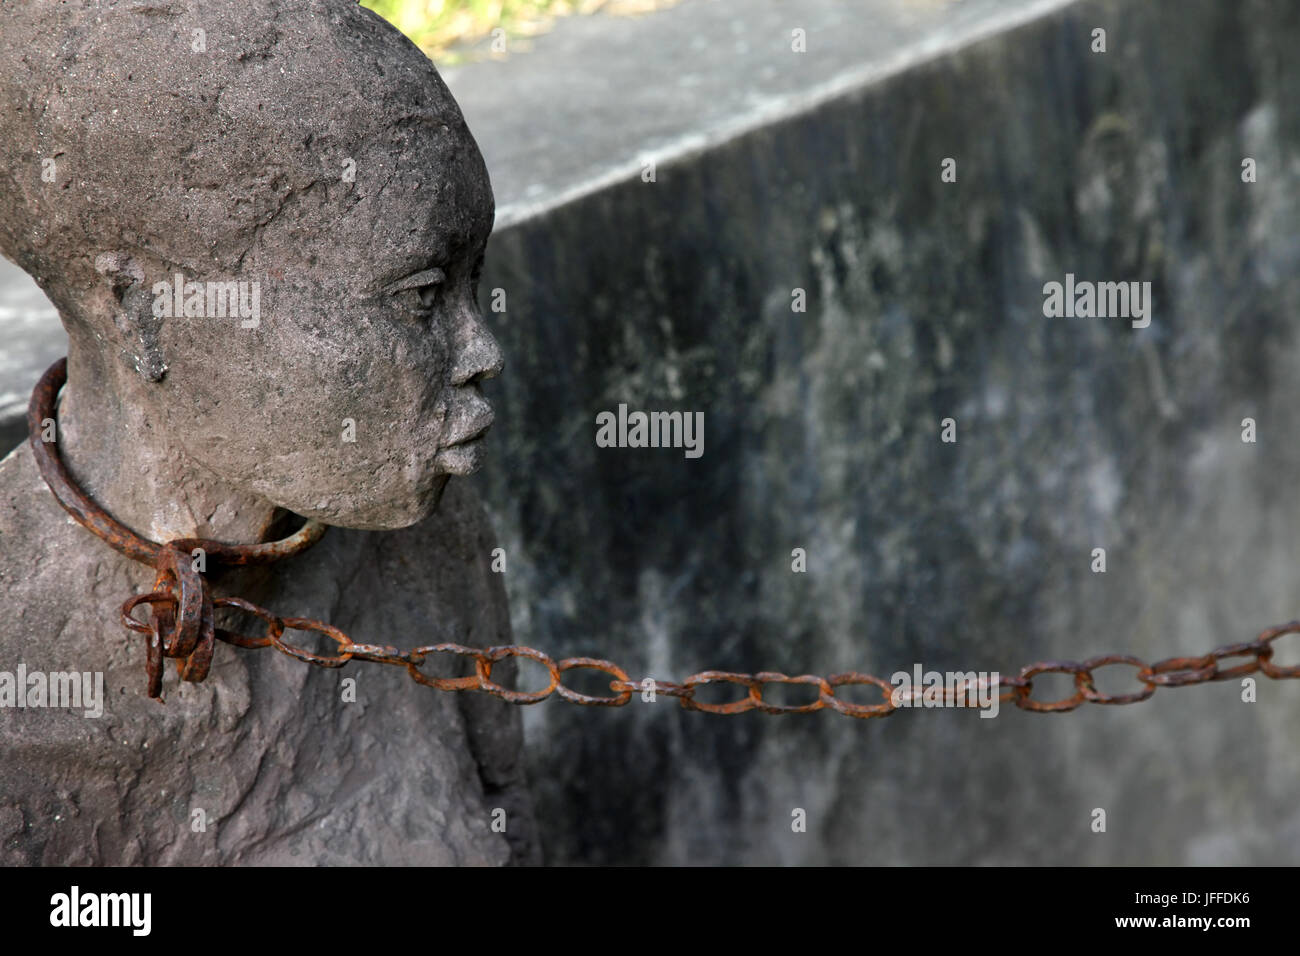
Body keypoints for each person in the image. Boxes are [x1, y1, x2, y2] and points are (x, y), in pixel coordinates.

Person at [0, 0, 535, 864]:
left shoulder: (431, 543)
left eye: (475, 282)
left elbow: (509, 812)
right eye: (420, 295)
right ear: (146, 316)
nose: (483, 352)